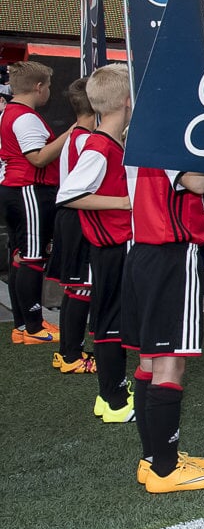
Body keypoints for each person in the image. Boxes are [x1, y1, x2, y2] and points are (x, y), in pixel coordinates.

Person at [122, 97, 204, 493]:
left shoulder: (140, 132)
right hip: (171, 254)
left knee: (151, 360)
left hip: (145, 252)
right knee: (170, 364)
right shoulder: (163, 132)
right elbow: (196, 182)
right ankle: (165, 469)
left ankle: (154, 457)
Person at [58, 65, 139, 423]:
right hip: (110, 247)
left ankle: (111, 396)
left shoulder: (109, 142)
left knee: (113, 322)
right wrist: (124, 203)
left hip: (115, 246)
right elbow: (70, 194)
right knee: (110, 324)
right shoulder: (99, 146)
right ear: (125, 100)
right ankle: (115, 400)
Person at [2, 61, 68, 345]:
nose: (49, 92)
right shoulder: (25, 117)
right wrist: (72, 133)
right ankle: (33, 327)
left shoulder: (11, 113)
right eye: (49, 86)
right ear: (38, 87)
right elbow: (38, 158)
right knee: (31, 258)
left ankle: (23, 325)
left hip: (17, 189)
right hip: (28, 189)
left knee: (21, 256)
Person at [46, 78, 97, 373]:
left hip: (71, 216)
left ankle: (68, 351)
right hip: (78, 217)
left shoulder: (75, 137)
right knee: (80, 289)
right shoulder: (86, 140)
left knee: (76, 288)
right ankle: (71, 356)